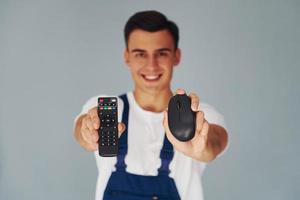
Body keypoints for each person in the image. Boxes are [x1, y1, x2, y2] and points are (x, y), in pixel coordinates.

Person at [74, 10, 228, 200]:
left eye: (162, 53)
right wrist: (88, 133)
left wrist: (201, 147)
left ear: (176, 56)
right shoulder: (107, 109)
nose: (152, 66)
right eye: (140, 54)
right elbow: (81, 128)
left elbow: (215, 142)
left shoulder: (198, 115)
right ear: (126, 56)